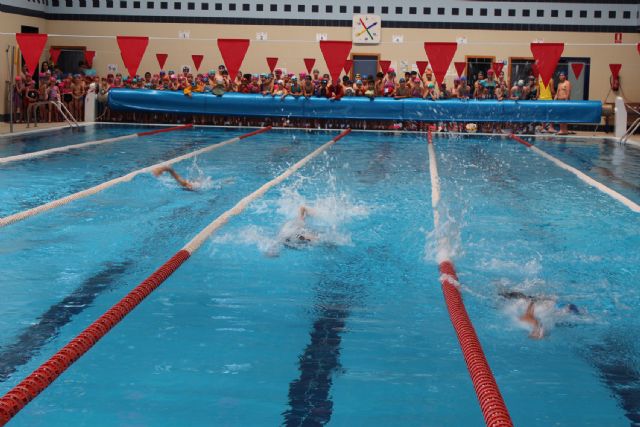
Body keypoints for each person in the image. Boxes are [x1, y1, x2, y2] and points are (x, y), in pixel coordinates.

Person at [499, 290, 583, 339]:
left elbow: (530, 317)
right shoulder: (521, 307)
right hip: (558, 306)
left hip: (553, 306)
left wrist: (537, 329)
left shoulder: (519, 309)